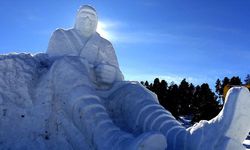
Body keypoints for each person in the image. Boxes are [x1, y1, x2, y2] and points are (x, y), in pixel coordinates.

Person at [47, 5, 250, 150]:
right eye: (84, 15)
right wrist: (88, 71)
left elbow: (118, 74)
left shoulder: (105, 44)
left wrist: (112, 74)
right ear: (75, 19)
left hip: (108, 91)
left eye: (93, 17)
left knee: (135, 90)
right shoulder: (61, 36)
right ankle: (113, 142)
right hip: (76, 91)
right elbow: (55, 63)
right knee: (67, 67)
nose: (88, 19)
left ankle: (188, 140)